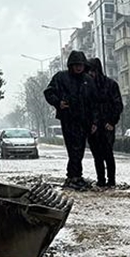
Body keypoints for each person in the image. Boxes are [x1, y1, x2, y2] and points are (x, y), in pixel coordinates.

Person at [44, 50, 98, 189]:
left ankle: (74, 176)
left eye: (81, 64)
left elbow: (94, 103)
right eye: (76, 65)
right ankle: (74, 176)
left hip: (84, 119)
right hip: (68, 118)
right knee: (73, 148)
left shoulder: (88, 80)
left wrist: (94, 121)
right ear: (71, 65)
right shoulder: (61, 77)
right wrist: (58, 102)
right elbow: (49, 92)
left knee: (79, 148)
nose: (78, 67)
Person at [86, 57, 123, 188]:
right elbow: (87, 107)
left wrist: (112, 121)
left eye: (92, 71)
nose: (90, 74)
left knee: (108, 154)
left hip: (107, 126)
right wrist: (90, 124)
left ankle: (111, 181)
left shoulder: (111, 85)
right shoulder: (87, 86)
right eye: (88, 71)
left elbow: (118, 105)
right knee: (97, 155)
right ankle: (101, 180)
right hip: (93, 127)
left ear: (97, 70)